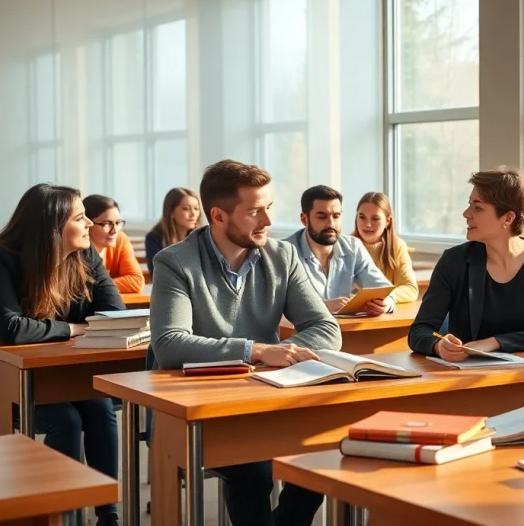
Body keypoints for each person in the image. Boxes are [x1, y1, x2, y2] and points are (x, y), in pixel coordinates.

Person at [150, 160, 341, 526]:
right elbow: (170, 344)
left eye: (268, 208)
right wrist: (259, 351)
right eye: (255, 212)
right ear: (218, 216)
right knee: (254, 472)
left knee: (323, 453)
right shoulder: (175, 262)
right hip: (201, 407)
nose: (268, 221)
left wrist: (279, 356)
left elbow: (325, 327)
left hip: (268, 398)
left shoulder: (281, 256)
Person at [0, 184, 122, 526]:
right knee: (66, 421)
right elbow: (13, 329)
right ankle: (59, 516)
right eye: (81, 218)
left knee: (100, 410)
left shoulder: (85, 255)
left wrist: (71, 329)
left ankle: (107, 513)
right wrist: (73, 328)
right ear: (53, 226)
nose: (90, 225)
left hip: (67, 372)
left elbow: (114, 313)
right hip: (10, 378)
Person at [408, 168, 524, 360]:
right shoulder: (454, 261)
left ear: (508, 218)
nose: (466, 213)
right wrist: (438, 346)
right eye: (469, 204)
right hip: (469, 372)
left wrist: (493, 343)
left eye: (478, 208)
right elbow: (419, 332)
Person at [284, 186, 395, 315]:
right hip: (304, 328)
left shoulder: (353, 247)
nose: (331, 224)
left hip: (346, 327)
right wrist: (321, 307)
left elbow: (384, 290)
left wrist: (386, 304)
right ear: (304, 219)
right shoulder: (284, 253)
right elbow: (274, 309)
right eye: (322, 217)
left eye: (336, 216)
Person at [352, 192, 419, 303]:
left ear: (388, 221)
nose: (367, 224)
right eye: (362, 217)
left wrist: (387, 298)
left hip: (383, 310)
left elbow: (410, 288)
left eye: (375, 218)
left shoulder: (397, 246)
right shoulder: (344, 246)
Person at [83, 194, 144, 293]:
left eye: (118, 223)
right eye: (106, 224)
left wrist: (99, 286)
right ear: (87, 224)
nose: (114, 230)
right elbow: (78, 287)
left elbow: (136, 281)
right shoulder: (76, 247)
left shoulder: (120, 239)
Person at [145, 187, 201, 273]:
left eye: (196, 208)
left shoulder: (201, 236)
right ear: (171, 212)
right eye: (186, 208)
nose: (193, 214)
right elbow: (157, 272)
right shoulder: (154, 238)